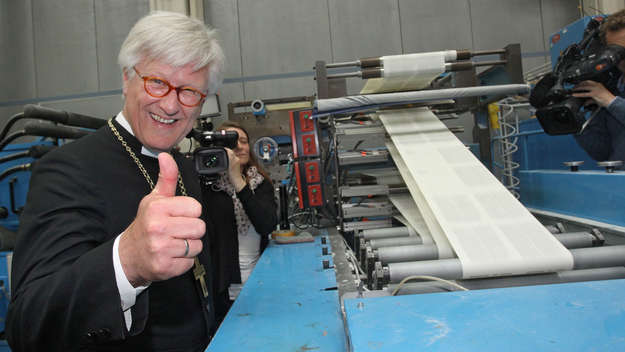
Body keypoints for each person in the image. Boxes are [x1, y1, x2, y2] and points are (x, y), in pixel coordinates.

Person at [6, 11, 225, 351]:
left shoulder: (184, 168)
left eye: (189, 92)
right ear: (126, 78)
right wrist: (126, 263)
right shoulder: (67, 169)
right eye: (157, 82)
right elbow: (28, 325)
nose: (170, 105)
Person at [202, 121, 277, 325]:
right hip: (224, 288)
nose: (240, 147)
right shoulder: (209, 188)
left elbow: (266, 224)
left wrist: (237, 180)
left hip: (259, 280)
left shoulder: (260, 184)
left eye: (244, 141)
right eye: (233, 142)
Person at [573, 9, 625, 165]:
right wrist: (575, 123)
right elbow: (602, 152)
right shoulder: (612, 89)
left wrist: (610, 101)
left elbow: (611, 101)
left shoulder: (607, 96)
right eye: (617, 51)